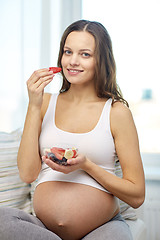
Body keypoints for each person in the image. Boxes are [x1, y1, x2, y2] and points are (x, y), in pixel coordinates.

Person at [0, 20, 145, 240]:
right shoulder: (44, 103)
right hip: (44, 230)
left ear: (101, 60)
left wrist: (87, 165)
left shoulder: (116, 112)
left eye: (85, 54)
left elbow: (137, 196)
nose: (73, 61)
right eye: (68, 52)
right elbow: (28, 173)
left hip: (102, 229)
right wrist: (34, 104)